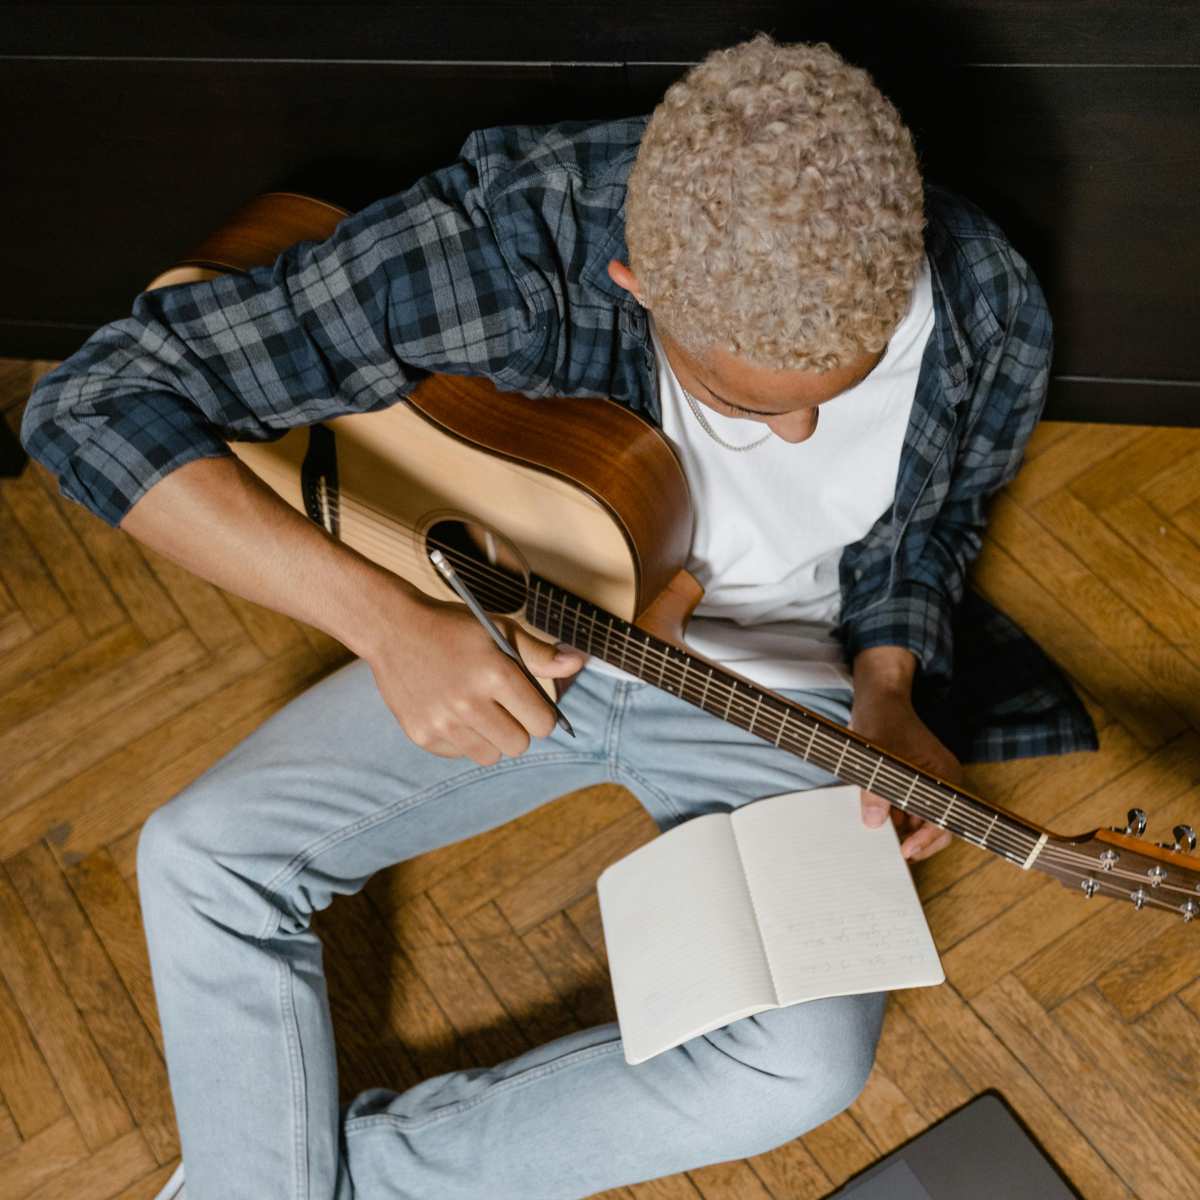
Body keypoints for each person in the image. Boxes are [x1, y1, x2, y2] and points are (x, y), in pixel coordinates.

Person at [21, 32, 1092, 1200]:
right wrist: (387, 627)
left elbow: (923, 529)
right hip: (524, 634)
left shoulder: (984, 305)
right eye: (745, 401)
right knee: (201, 856)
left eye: (837, 390)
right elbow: (92, 404)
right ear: (636, 284)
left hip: (779, 697)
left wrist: (888, 685)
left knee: (799, 1072)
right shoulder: (516, 247)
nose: (796, 440)